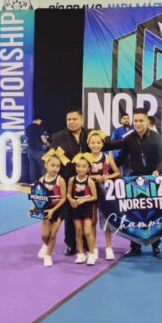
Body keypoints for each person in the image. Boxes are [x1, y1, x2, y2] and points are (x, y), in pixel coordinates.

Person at [105, 108, 162, 257]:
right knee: (133, 214)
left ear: (147, 121)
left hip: (153, 180)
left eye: (141, 120)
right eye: (136, 121)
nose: (138, 123)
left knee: (153, 214)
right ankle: (134, 246)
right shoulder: (129, 138)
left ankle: (155, 244)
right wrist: (108, 172)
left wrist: (157, 171)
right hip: (133, 180)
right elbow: (121, 157)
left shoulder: (157, 138)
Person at [50, 108, 90, 256]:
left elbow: (107, 145)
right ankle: (71, 244)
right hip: (67, 183)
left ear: (82, 120)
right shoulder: (58, 137)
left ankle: (87, 244)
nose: (71, 122)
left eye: (74, 119)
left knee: (87, 216)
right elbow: (50, 158)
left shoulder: (90, 134)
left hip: (87, 182)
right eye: (69, 119)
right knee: (69, 216)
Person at [87, 129, 121, 260]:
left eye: (98, 143)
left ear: (102, 144)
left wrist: (108, 177)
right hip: (90, 193)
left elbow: (117, 173)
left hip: (105, 192)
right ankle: (94, 248)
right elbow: (80, 173)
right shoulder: (85, 158)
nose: (95, 145)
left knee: (107, 220)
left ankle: (108, 247)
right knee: (93, 221)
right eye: (93, 143)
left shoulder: (107, 158)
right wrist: (92, 177)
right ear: (88, 144)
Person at [35, 148, 69, 267]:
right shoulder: (41, 180)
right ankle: (46, 245)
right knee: (45, 235)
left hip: (59, 209)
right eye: (52, 165)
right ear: (46, 165)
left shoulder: (60, 180)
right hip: (46, 208)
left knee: (53, 233)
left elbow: (63, 198)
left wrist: (53, 210)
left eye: (58, 166)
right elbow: (38, 197)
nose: (55, 168)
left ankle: (48, 256)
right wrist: (33, 208)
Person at [67, 153, 98, 265]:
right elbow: (68, 194)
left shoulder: (89, 181)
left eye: (84, 166)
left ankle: (92, 253)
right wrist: (71, 200)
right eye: (78, 166)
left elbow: (95, 196)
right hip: (76, 208)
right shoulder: (72, 180)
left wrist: (83, 200)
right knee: (78, 231)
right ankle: (80, 254)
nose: (80, 169)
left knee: (88, 232)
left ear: (88, 169)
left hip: (87, 209)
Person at [25, 115, 46, 184]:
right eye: (40, 121)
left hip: (29, 150)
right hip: (38, 150)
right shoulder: (39, 127)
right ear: (38, 120)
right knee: (43, 166)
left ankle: (33, 181)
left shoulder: (27, 128)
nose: (40, 122)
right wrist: (48, 144)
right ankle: (45, 182)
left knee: (32, 166)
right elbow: (43, 140)